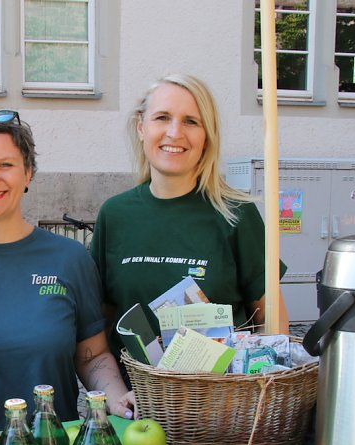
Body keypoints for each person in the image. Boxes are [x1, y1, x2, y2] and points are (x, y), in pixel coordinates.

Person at [0, 110, 134, 438]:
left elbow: (93, 355)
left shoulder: (70, 258)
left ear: (28, 173)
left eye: (5, 165)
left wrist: (116, 399)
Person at [90, 73, 289, 363]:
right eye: (162, 117)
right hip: (135, 403)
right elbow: (103, 321)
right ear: (141, 127)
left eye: (191, 121)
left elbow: (271, 328)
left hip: (219, 402)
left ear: (207, 136)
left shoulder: (236, 214)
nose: (175, 132)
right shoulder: (115, 214)